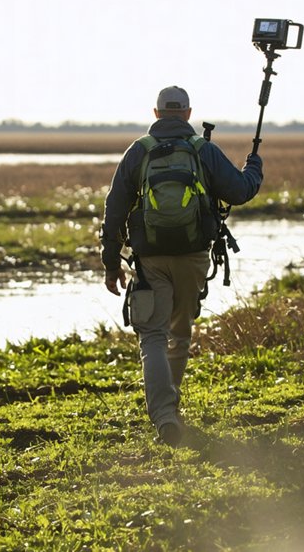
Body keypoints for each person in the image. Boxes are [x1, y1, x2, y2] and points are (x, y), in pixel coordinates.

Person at [100, 86, 263, 447]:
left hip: (150, 259)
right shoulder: (202, 149)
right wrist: (254, 167)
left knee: (153, 337)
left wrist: (111, 264)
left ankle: (165, 417)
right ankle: (172, 406)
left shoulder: (138, 152)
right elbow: (240, 191)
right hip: (193, 256)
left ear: (156, 114)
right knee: (180, 331)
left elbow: (114, 213)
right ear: (188, 114)